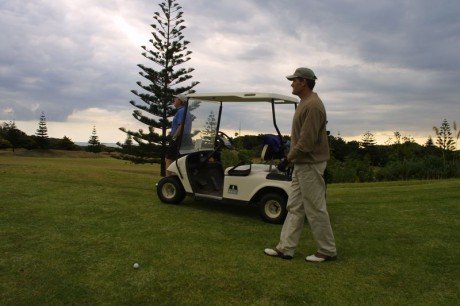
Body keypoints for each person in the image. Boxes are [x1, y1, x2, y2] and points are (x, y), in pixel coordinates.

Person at [264, 67, 337, 262]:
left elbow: (307, 141)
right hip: (302, 164)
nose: (291, 83)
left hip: (310, 164)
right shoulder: (305, 103)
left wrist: (287, 159)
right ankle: (285, 248)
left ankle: (327, 250)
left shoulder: (313, 105)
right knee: (294, 206)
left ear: (303, 82)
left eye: (294, 80)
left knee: (315, 207)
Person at [165, 94, 188, 176]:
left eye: (176, 98)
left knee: (168, 158)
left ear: (180, 101)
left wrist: (174, 137)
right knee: (178, 160)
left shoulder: (181, 111)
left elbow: (181, 125)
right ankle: (175, 179)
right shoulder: (186, 111)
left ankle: (167, 180)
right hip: (185, 138)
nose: (174, 100)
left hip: (178, 138)